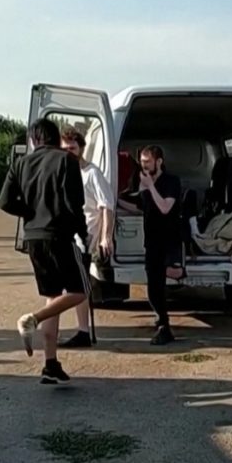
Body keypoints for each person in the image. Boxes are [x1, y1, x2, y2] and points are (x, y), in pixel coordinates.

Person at [0, 118, 88, 384]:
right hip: (59, 235)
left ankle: (50, 363)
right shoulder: (66, 161)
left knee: (53, 297)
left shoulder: (21, 163)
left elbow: (4, 201)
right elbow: (74, 203)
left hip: (34, 238)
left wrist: (30, 212)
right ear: (54, 138)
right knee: (80, 292)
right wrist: (83, 233)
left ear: (33, 139)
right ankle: (31, 319)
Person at [117, 145, 183, 346]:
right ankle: (163, 325)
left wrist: (150, 187)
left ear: (159, 161)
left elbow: (165, 207)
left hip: (169, 238)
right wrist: (116, 201)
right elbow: (140, 206)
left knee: (169, 278)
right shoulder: (143, 181)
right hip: (152, 240)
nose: (143, 165)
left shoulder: (171, 181)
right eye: (142, 162)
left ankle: (164, 325)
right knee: (154, 287)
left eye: (147, 162)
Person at [56, 126, 114, 348]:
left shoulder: (92, 173)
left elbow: (106, 206)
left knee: (77, 286)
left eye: (72, 148)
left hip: (85, 238)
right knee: (69, 286)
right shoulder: (62, 172)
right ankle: (78, 330)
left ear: (81, 148)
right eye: (65, 149)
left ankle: (83, 331)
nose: (68, 152)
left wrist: (105, 237)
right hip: (66, 236)